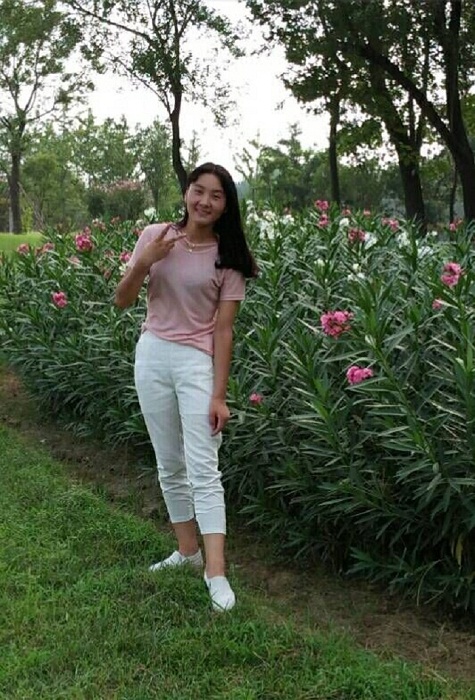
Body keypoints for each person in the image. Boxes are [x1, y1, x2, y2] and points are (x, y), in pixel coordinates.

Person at [115, 162, 257, 612]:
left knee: (204, 467)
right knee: (169, 461)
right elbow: (122, 300)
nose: (205, 201)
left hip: (197, 362)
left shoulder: (228, 256)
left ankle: (216, 572)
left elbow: (224, 331)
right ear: (186, 193)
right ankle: (187, 551)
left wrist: (218, 395)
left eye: (216, 195)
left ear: (226, 206)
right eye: (199, 190)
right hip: (152, 355)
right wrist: (146, 260)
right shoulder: (155, 236)